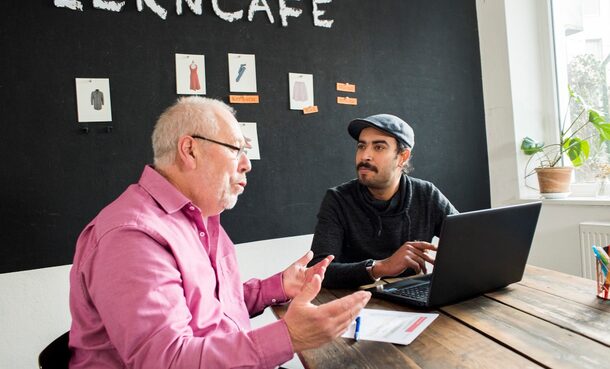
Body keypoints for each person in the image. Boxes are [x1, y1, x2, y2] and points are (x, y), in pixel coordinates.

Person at [68, 96, 371, 369]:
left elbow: (213, 305)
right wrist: (289, 337)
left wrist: (277, 286)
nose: (247, 164)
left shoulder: (200, 218)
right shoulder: (133, 237)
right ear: (190, 150)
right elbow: (166, 361)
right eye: (237, 149)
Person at [310, 114, 458, 289]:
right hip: (355, 301)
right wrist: (380, 267)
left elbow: (468, 242)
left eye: (378, 147)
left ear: (402, 157)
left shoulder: (426, 194)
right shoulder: (338, 199)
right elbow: (318, 271)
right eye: (361, 146)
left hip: (411, 295)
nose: (365, 156)